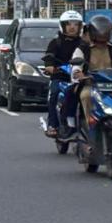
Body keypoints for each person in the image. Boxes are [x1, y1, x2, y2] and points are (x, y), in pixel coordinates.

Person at [43, 9, 87, 139]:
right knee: (54, 94)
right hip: (60, 77)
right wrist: (50, 67)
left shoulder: (83, 44)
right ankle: (52, 125)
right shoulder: (56, 43)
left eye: (75, 24)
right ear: (63, 26)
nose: (72, 27)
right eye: (69, 24)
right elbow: (49, 57)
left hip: (79, 79)